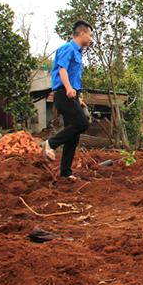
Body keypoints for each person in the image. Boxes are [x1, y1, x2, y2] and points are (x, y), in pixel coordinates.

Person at [43, 20, 92, 180]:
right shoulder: (68, 48)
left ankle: (65, 172)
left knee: (74, 134)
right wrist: (69, 88)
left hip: (71, 94)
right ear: (82, 33)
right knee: (82, 123)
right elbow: (62, 69)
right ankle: (51, 143)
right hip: (63, 93)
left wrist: (79, 98)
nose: (90, 39)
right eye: (90, 35)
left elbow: (73, 75)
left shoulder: (78, 53)